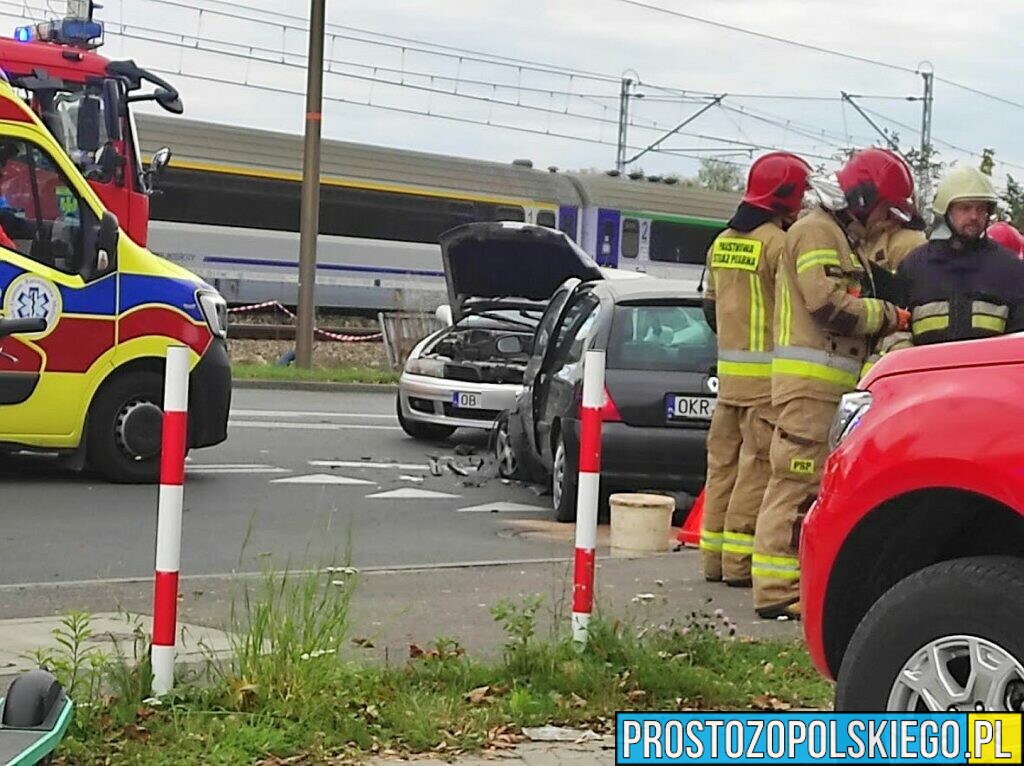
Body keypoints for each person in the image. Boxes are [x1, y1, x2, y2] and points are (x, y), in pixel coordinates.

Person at [752, 147, 910, 620]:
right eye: (884, 211)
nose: (885, 222)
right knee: (794, 485)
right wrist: (889, 316)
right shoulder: (818, 231)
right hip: (810, 386)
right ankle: (777, 590)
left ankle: (790, 585)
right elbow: (826, 303)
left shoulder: (837, 232)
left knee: (808, 486)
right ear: (862, 199)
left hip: (823, 386)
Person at [700, 152, 812, 587]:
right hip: (767, 384)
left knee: (722, 468)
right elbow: (796, 311)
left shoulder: (722, 241)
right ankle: (739, 567)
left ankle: (713, 559)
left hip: (728, 379)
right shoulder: (779, 245)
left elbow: (709, 309)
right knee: (758, 470)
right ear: (785, 194)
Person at [895, 167, 1024, 346]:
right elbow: (895, 329)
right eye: (965, 208)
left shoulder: (1011, 269)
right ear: (946, 211)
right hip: (928, 372)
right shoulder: (913, 267)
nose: (974, 216)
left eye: (981, 209)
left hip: (989, 373)